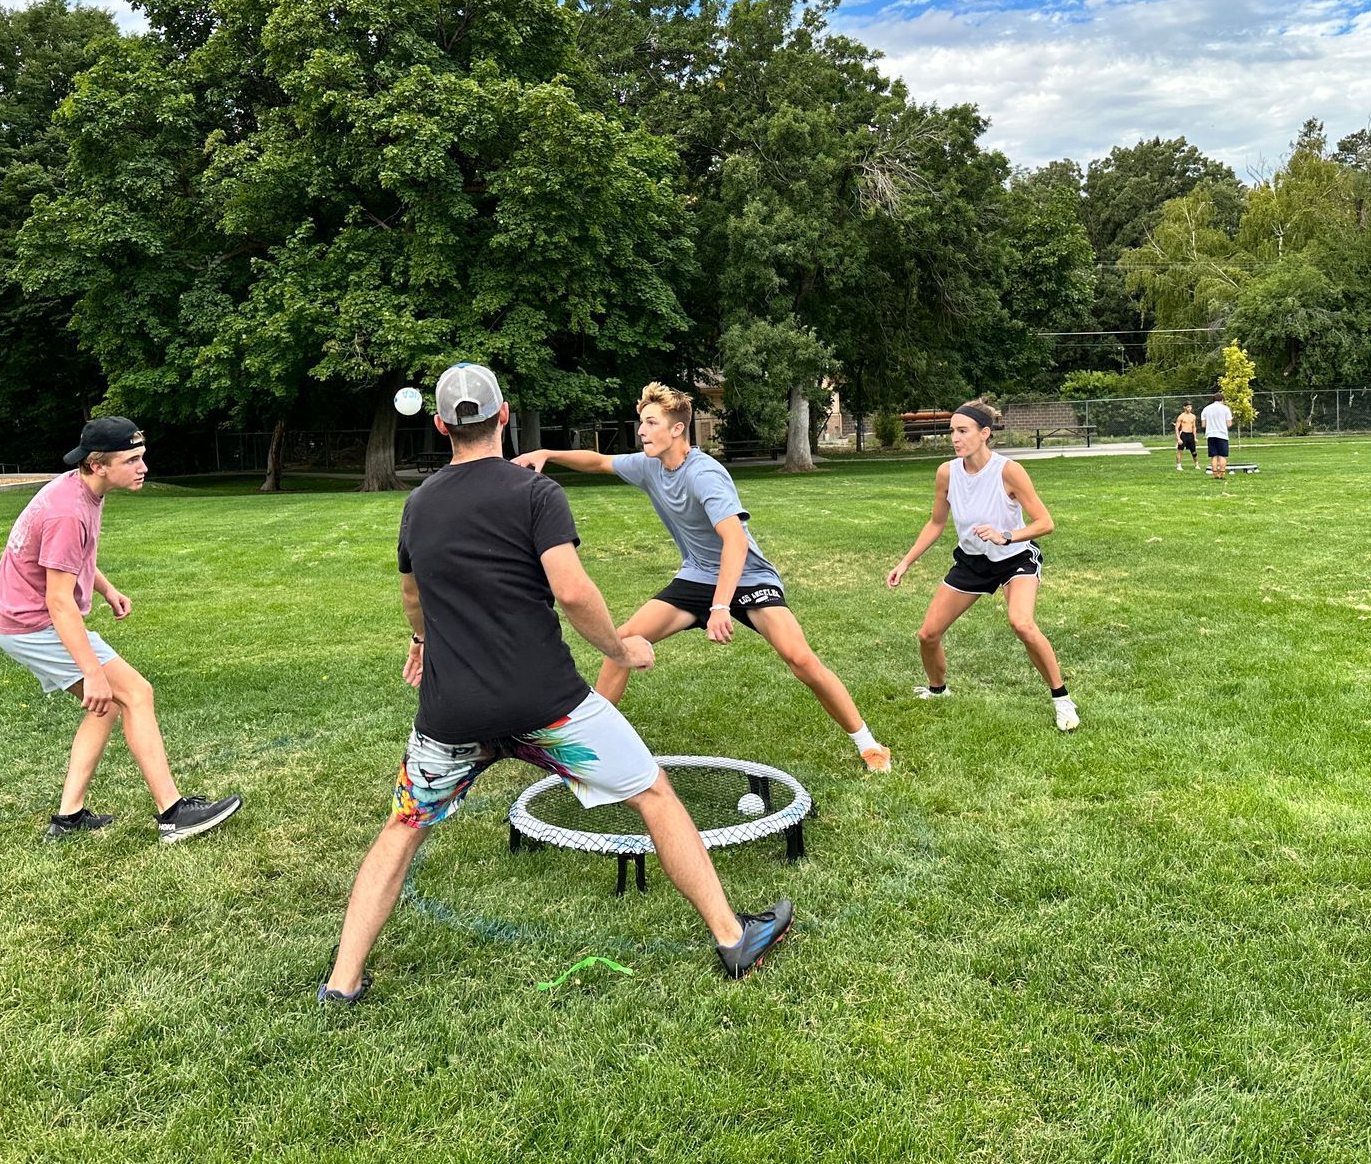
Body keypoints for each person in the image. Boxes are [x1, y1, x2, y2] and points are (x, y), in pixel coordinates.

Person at [320, 365, 792, 1001]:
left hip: (451, 713)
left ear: (440, 426)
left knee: (404, 826)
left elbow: (412, 595)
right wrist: (621, 647)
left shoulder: (419, 502)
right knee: (654, 793)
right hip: (549, 705)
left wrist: (422, 641)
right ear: (505, 416)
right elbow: (571, 590)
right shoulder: (534, 494)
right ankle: (734, 940)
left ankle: (342, 982)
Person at [513, 382, 890, 773]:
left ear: (677, 429)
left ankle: (868, 744)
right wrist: (548, 453)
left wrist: (721, 605)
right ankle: (593, 745)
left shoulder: (705, 474)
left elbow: (735, 542)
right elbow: (598, 461)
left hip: (748, 578)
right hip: (697, 577)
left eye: (650, 422)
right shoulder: (649, 466)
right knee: (622, 643)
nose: (642, 430)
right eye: (642, 422)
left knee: (800, 660)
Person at [0, 417, 242, 843]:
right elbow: (58, 600)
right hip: (31, 623)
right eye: (132, 460)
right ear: (98, 463)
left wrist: (106, 588)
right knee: (135, 693)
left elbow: (68, 558)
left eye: (142, 457)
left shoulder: (80, 490)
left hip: (22, 619)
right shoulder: (69, 509)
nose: (143, 467)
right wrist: (92, 671)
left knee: (105, 707)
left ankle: (67, 819)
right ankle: (173, 813)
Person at [884, 401, 1079, 732]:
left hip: (1015, 557)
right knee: (928, 635)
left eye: (963, 431)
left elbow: (1045, 522)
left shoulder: (1008, 471)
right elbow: (935, 524)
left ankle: (1062, 699)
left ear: (984, 433)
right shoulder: (947, 472)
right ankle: (938, 690)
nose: (955, 439)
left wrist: (1007, 536)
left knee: (1021, 623)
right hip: (972, 562)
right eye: (952, 431)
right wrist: (905, 562)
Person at [1200, 391, 1234, 479]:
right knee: (1222, 455)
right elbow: (1229, 423)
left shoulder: (1206, 409)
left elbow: (1203, 425)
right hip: (1222, 434)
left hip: (1210, 434)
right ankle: (1222, 473)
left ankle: (1215, 473)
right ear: (1222, 399)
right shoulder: (1225, 409)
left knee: (1213, 455)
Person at [1174, 402, 1198, 471]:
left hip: (1190, 435)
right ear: (1184, 407)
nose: (1189, 408)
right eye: (1188, 407)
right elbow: (1176, 428)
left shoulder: (1193, 416)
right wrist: (1178, 438)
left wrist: (1195, 437)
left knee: (1194, 451)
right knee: (1180, 451)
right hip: (1183, 434)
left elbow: (1194, 427)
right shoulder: (1181, 416)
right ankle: (1179, 465)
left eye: (1190, 407)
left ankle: (1196, 464)